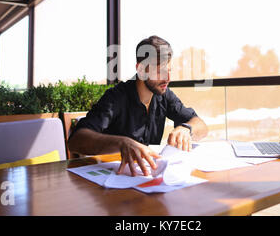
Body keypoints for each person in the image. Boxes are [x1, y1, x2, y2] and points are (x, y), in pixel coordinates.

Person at [68, 35, 208, 177]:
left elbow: (201, 125)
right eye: (160, 71)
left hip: (145, 179)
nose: (167, 78)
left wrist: (187, 129)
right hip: (112, 182)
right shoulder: (116, 97)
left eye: (169, 70)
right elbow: (75, 141)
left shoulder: (164, 95)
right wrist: (122, 143)